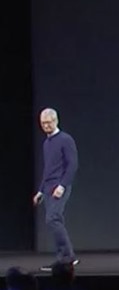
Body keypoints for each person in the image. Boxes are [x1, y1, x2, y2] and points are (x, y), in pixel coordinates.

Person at [32, 108, 79, 271]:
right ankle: (63, 258)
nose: (46, 126)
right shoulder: (47, 143)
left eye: (48, 122)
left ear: (56, 121)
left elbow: (72, 164)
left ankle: (68, 257)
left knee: (53, 218)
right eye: (43, 123)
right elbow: (48, 170)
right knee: (55, 219)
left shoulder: (65, 139)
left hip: (59, 186)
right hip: (48, 187)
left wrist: (62, 185)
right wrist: (40, 190)